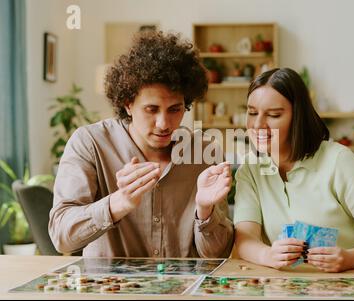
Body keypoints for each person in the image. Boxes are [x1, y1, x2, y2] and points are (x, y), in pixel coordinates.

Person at [49, 31, 234, 258]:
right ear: (128, 104)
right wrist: (118, 203)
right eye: (151, 109)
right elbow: (61, 237)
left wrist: (205, 213)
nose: (164, 124)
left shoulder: (205, 152)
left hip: (182, 291)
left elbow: (218, 255)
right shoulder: (90, 143)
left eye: (175, 109)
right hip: (112, 291)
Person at [234, 68, 354, 272]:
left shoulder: (340, 162)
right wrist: (267, 254)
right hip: (284, 289)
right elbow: (245, 239)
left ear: (298, 117)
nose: (258, 124)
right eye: (252, 112)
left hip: (348, 284)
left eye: (273, 115)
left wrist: (349, 258)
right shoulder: (250, 169)